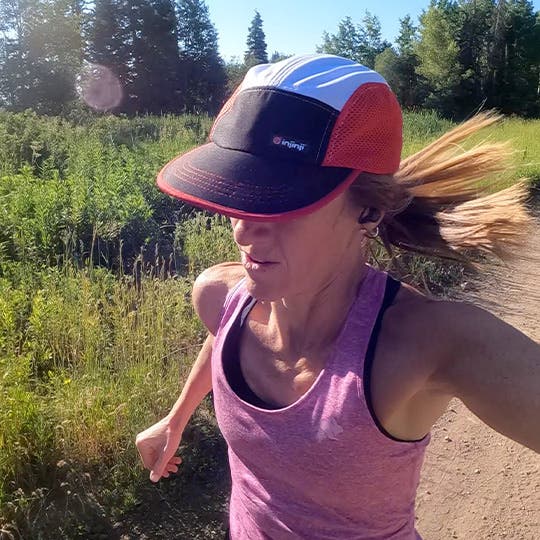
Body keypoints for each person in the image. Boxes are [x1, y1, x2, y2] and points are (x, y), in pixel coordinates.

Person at [135, 54, 540, 539]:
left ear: (367, 209)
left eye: (279, 203)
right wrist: (176, 417)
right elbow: (221, 341)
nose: (244, 231)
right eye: (237, 197)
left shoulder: (425, 344)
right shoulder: (220, 296)